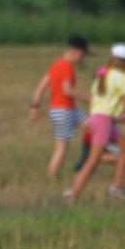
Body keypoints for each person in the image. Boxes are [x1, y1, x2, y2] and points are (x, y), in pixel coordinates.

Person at [65, 43, 125, 201]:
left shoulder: (103, 73)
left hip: (97, 118)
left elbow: (98, 100)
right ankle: (74, 192)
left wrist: (117, 115)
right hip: (104, 120)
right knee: (94, 159)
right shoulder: (121, 77)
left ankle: (117, 186)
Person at [28, 36, 92, 178]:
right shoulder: (66, 66)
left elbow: (40, 86)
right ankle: (50, 178)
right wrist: (91, 98)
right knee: (62, 148)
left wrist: (34, 106)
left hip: (67, 110)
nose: (82, 59)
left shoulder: (56, 64)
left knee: (94, 126)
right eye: (82, 55)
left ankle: (86, 161)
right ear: (73, 51)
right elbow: (68, 91)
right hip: (64, 110)